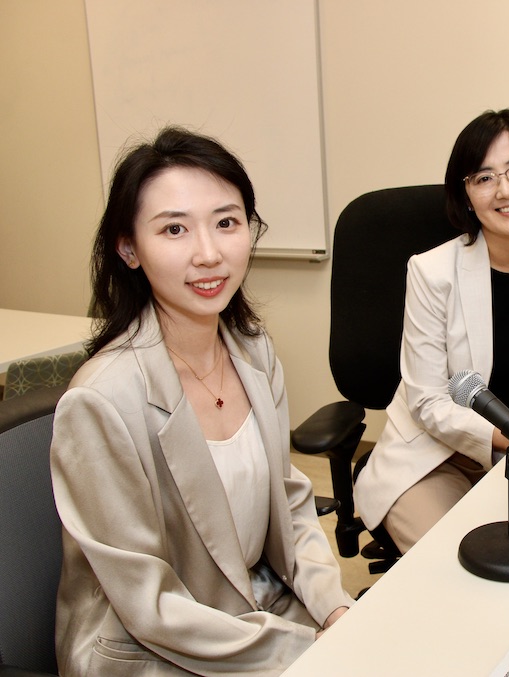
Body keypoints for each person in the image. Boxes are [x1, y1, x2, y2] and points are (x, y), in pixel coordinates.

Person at [50, 127, 352, 676]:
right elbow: (151, 607)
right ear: (128, 248)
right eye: (173, 229)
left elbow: (287, 503)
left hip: (251, 610)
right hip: (147, 648)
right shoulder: (100, 399)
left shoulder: (254, 354)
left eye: (227, 222)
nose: (209, 254)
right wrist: (307, 651)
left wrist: (335, 609)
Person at [353, 109, 509, 554]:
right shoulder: (431, 271)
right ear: (467, 196)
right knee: (454, 567)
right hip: (433, 457)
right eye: (484, 177)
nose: (505, 189)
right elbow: (428, 399)